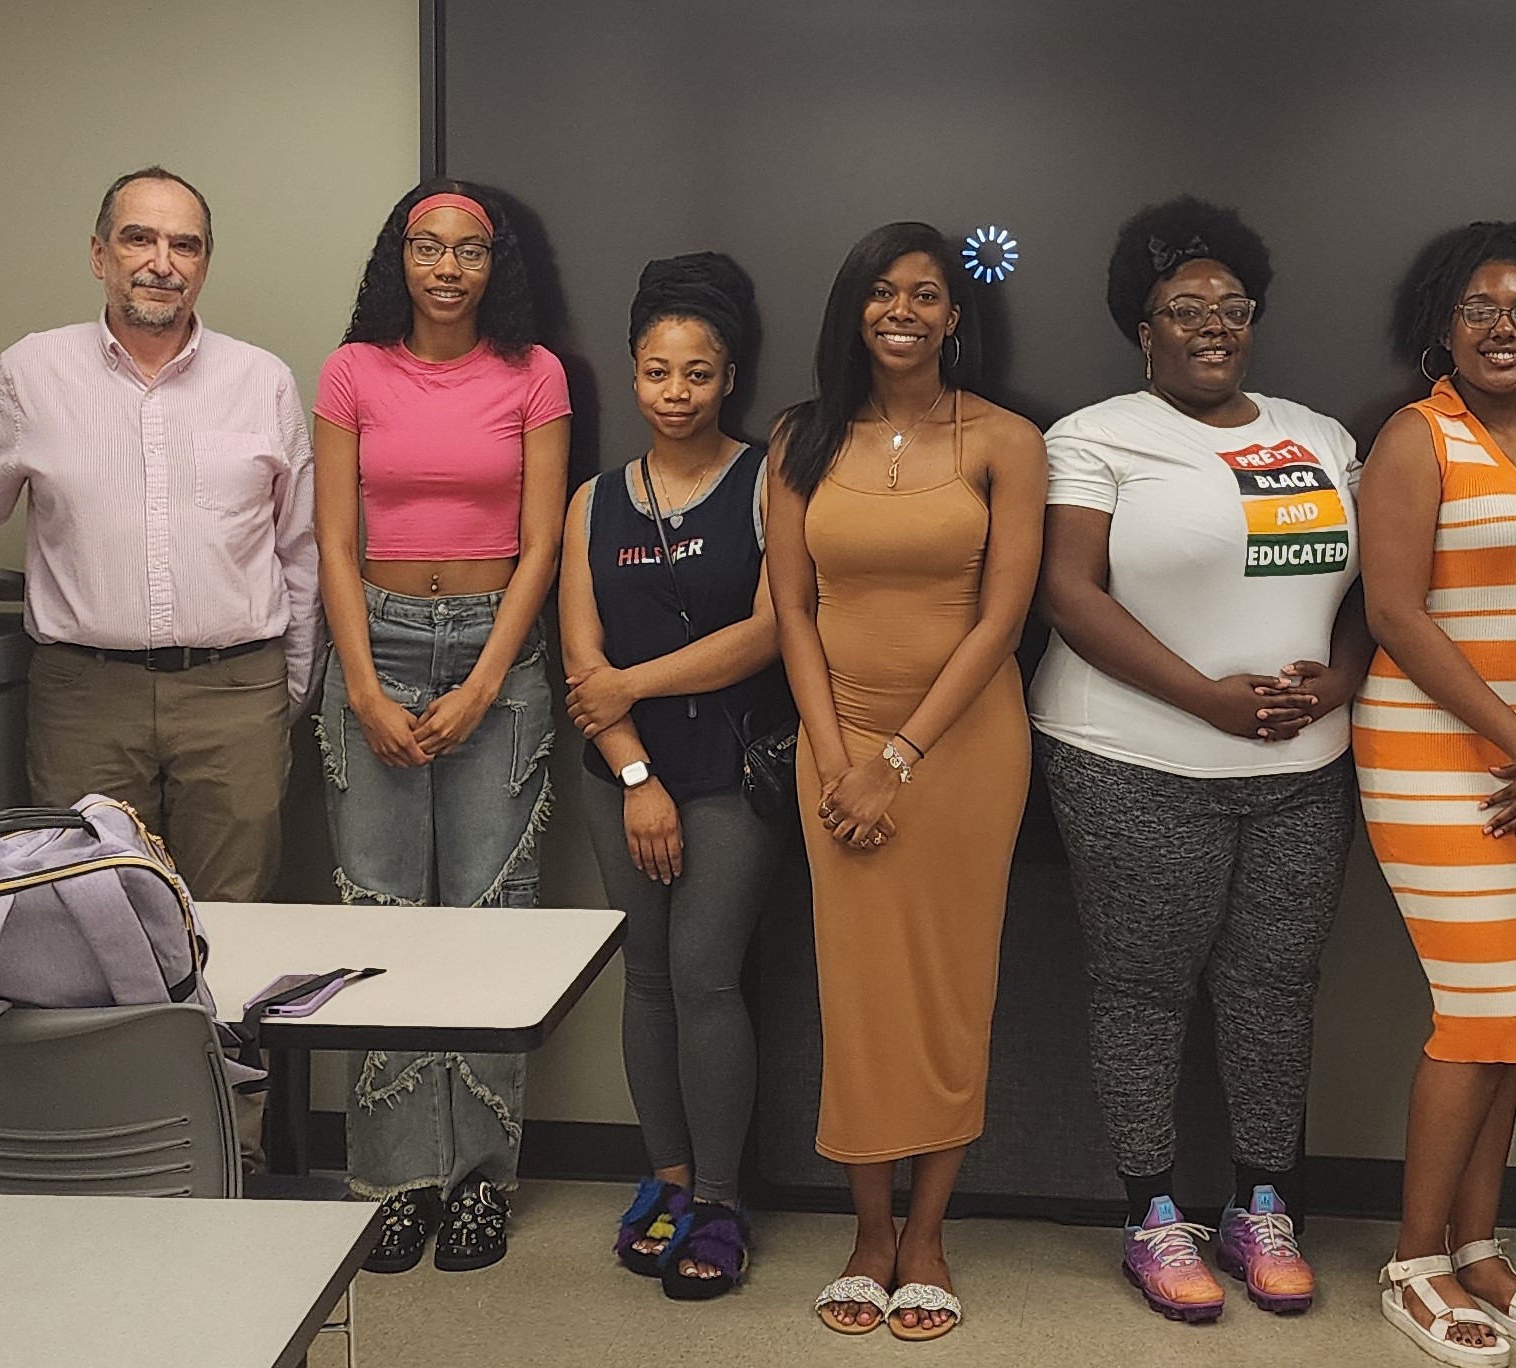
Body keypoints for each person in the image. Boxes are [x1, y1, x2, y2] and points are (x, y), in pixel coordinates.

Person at [1032, 197, 1367, 1325]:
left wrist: (1342, 678)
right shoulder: (1092, 436)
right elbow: (1069, 594)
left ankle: (1261, 1204)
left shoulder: (1322, 437)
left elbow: (1379, 595)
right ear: (1144, 325)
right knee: (1143, 991)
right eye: (1185, 308)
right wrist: (1207, 701)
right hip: (1130, 759)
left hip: (1303, 770)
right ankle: (1152, 1214)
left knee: (1275, 991)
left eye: (1232, 307)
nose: (1212, 324)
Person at [773, 222, 1044, 1342]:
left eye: (925, 295)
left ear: (955, 315)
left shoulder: (1007, 441)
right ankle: (865, 1232)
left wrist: (896, 759)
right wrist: (839, 755)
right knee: (859, 993)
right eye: (882, 292)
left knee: (948, 989)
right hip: (832, 753)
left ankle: (928, 1235)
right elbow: (790, 607)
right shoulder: (803, 438)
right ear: (854, 309)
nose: (903, 311)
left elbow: (1003, 619)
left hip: (961, 755)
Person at [1354, 220, 1516, 1364]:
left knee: (1506, 1018)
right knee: (1475, 1011)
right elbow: (1394, 614)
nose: (1501, 328)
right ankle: (1414, 1264)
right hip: (1433, 759)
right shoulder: (1417, 439)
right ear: (1440, 326)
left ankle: (1478, 1244)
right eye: (1477, 310)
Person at [309, 182, 572, 1273]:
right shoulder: (351, 370)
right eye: (428, 247)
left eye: (469, 250)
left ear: (493, 264)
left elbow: (543, 545)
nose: (448, 268)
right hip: (374, 639)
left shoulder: (536, 374)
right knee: (382, 919)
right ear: (400, 259)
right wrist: (365, 690)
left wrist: (483, 682)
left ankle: (477, 1181)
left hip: (495, 656)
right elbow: (330, 543)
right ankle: (396, 1176)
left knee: (485, 918)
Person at [0, 166, 316, 902]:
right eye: (138, 239)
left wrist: (282, 692)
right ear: (99, 254)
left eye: (185, 245)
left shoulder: (262, 381)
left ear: (204, 263)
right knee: (87, 912)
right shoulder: (32, 373)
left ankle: (216, 1029)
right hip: (84, 699)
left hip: (235, 696)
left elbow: (298, 550)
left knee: (232, 919)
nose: (161, 262)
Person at [563, 251, 789, 1299]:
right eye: (657, 372)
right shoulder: (594, 502)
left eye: (697, 373)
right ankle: (665, 1177)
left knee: (704, 976)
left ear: (728, 377)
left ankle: (721, 1200)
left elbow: (773, 631)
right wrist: (635, 772)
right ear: (634, 373)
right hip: (627, 776)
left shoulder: (765, 478)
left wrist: (634, 694)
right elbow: (580, 664)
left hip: (732, 771)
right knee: (645, 977)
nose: (676, 393)